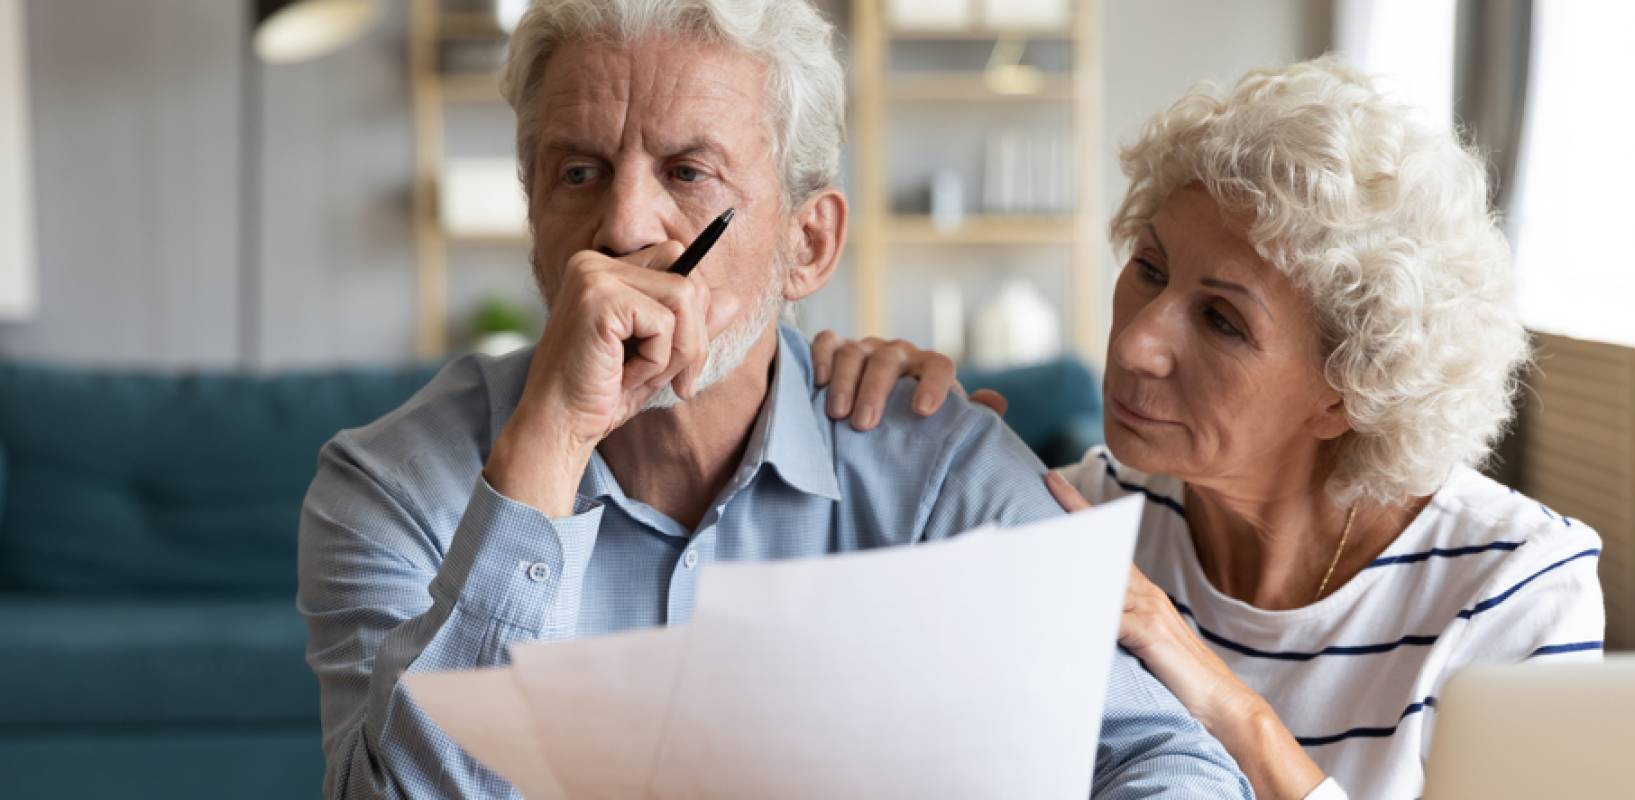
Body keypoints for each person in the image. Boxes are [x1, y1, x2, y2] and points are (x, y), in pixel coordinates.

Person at [295, 1, 1251, 798]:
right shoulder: (388, 486)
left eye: (687, 172)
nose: (624, 225)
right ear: (535, 216)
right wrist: (547, 445)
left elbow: (1173, 764)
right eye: (577, 172)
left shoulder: (939, 471)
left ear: (809, 245)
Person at [812, 57, 1605, 800]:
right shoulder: (1084, 518)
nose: (1134, 344)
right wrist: (896, 463)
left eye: (1223, 321)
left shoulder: (1516, 586)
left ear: (1347, 392)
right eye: (1150, 270)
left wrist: (1227, 705)